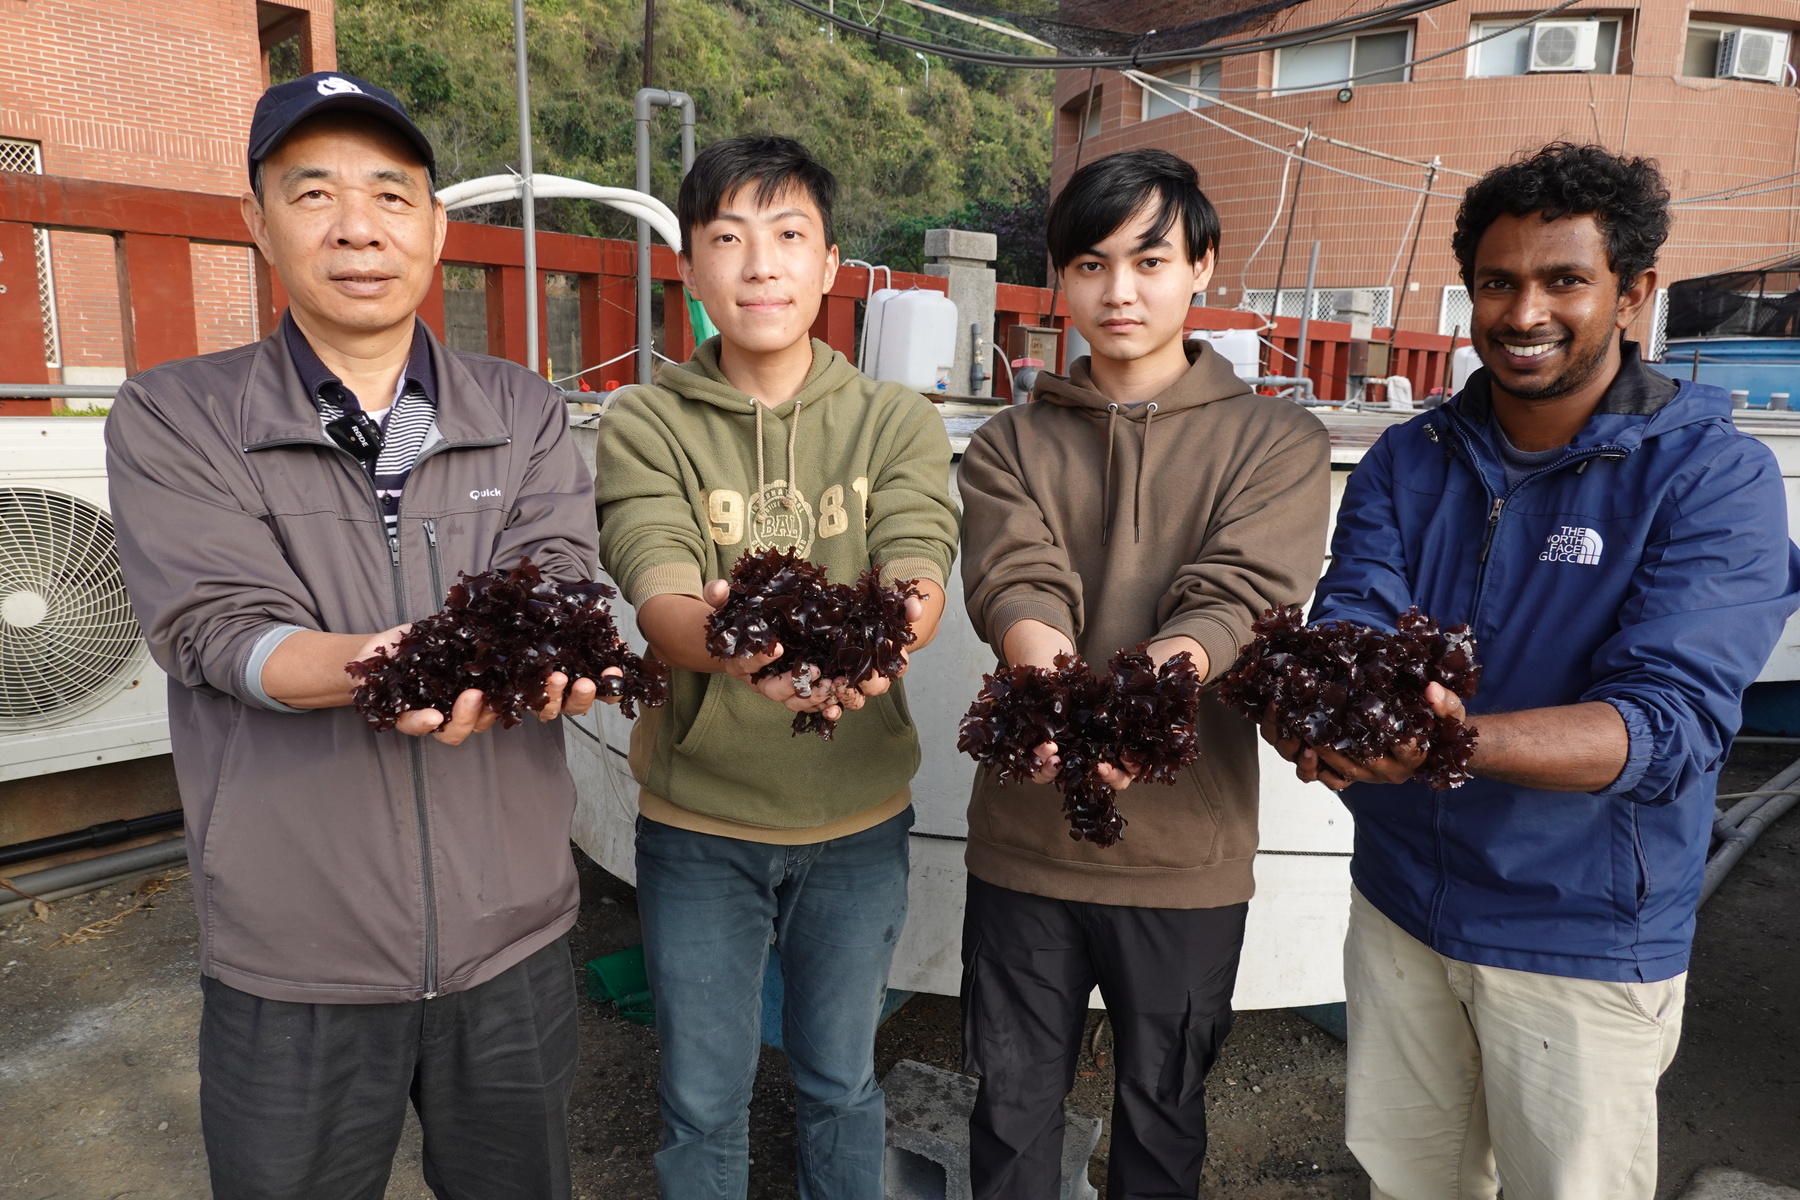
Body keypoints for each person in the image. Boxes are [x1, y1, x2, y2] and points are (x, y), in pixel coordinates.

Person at [105, 72, 614, 1199]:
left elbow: (565, 584)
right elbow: (214, 630)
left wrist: (557, 650)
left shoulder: (521, 410)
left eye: (391, 194)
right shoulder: (175, 415)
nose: (357, 228)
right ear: (258, 222)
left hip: (510, 935)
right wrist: (393, 666)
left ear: (434, 225)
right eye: (314, 192)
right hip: (296, 951)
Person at [1266, 142, 1800, 1200]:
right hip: (1402, 906)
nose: (1524, 313)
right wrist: (1320, 714)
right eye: (1499, 282)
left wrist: (1447, 743)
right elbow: (1356, 617)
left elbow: (1668, 721)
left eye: (1564, 280)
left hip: (1581, 931)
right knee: (1412, 1180)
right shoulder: (1409, 458)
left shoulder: (1711, 479)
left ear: (1633, 292)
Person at [956, 148, 1332, 1200]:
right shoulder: (1006, 444)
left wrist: (1132, 715)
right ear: (1060, 280)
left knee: (1164, 1120)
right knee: (1007, 1108)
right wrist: (1060, 701)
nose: (1120, 291)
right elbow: (1017, 584)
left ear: (1202, 266)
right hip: (1025, 849)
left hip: (1187, 858)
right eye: (1091, 264)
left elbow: (1237, 596)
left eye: (1151, 259)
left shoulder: (1278, 439)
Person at [593, 134, 960, 1200]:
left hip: (857, 824)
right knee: (701, 1097)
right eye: (729, 239)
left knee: (841, 1079)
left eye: (788, 236)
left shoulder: (895, 418)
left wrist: (897, 625)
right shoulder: (648, 420)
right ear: (692, 270)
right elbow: (654, 578)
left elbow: (917, 551)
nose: (761, 266)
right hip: (699, 828)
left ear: (831, 262)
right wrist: (726, 644)